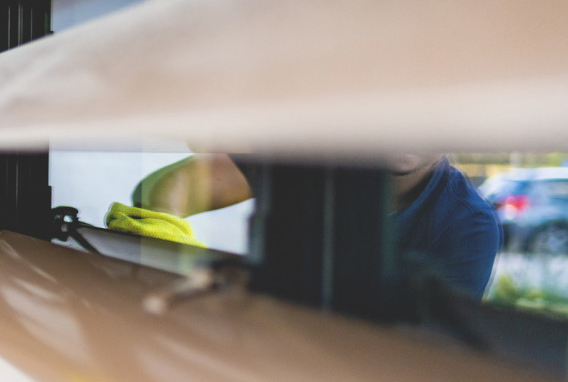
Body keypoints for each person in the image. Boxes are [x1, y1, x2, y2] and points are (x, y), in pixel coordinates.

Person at [131, 153, 502, 297]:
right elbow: (160, 190)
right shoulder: (312, 161)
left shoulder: (469, 225)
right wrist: (163, 243)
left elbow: (432, 355)